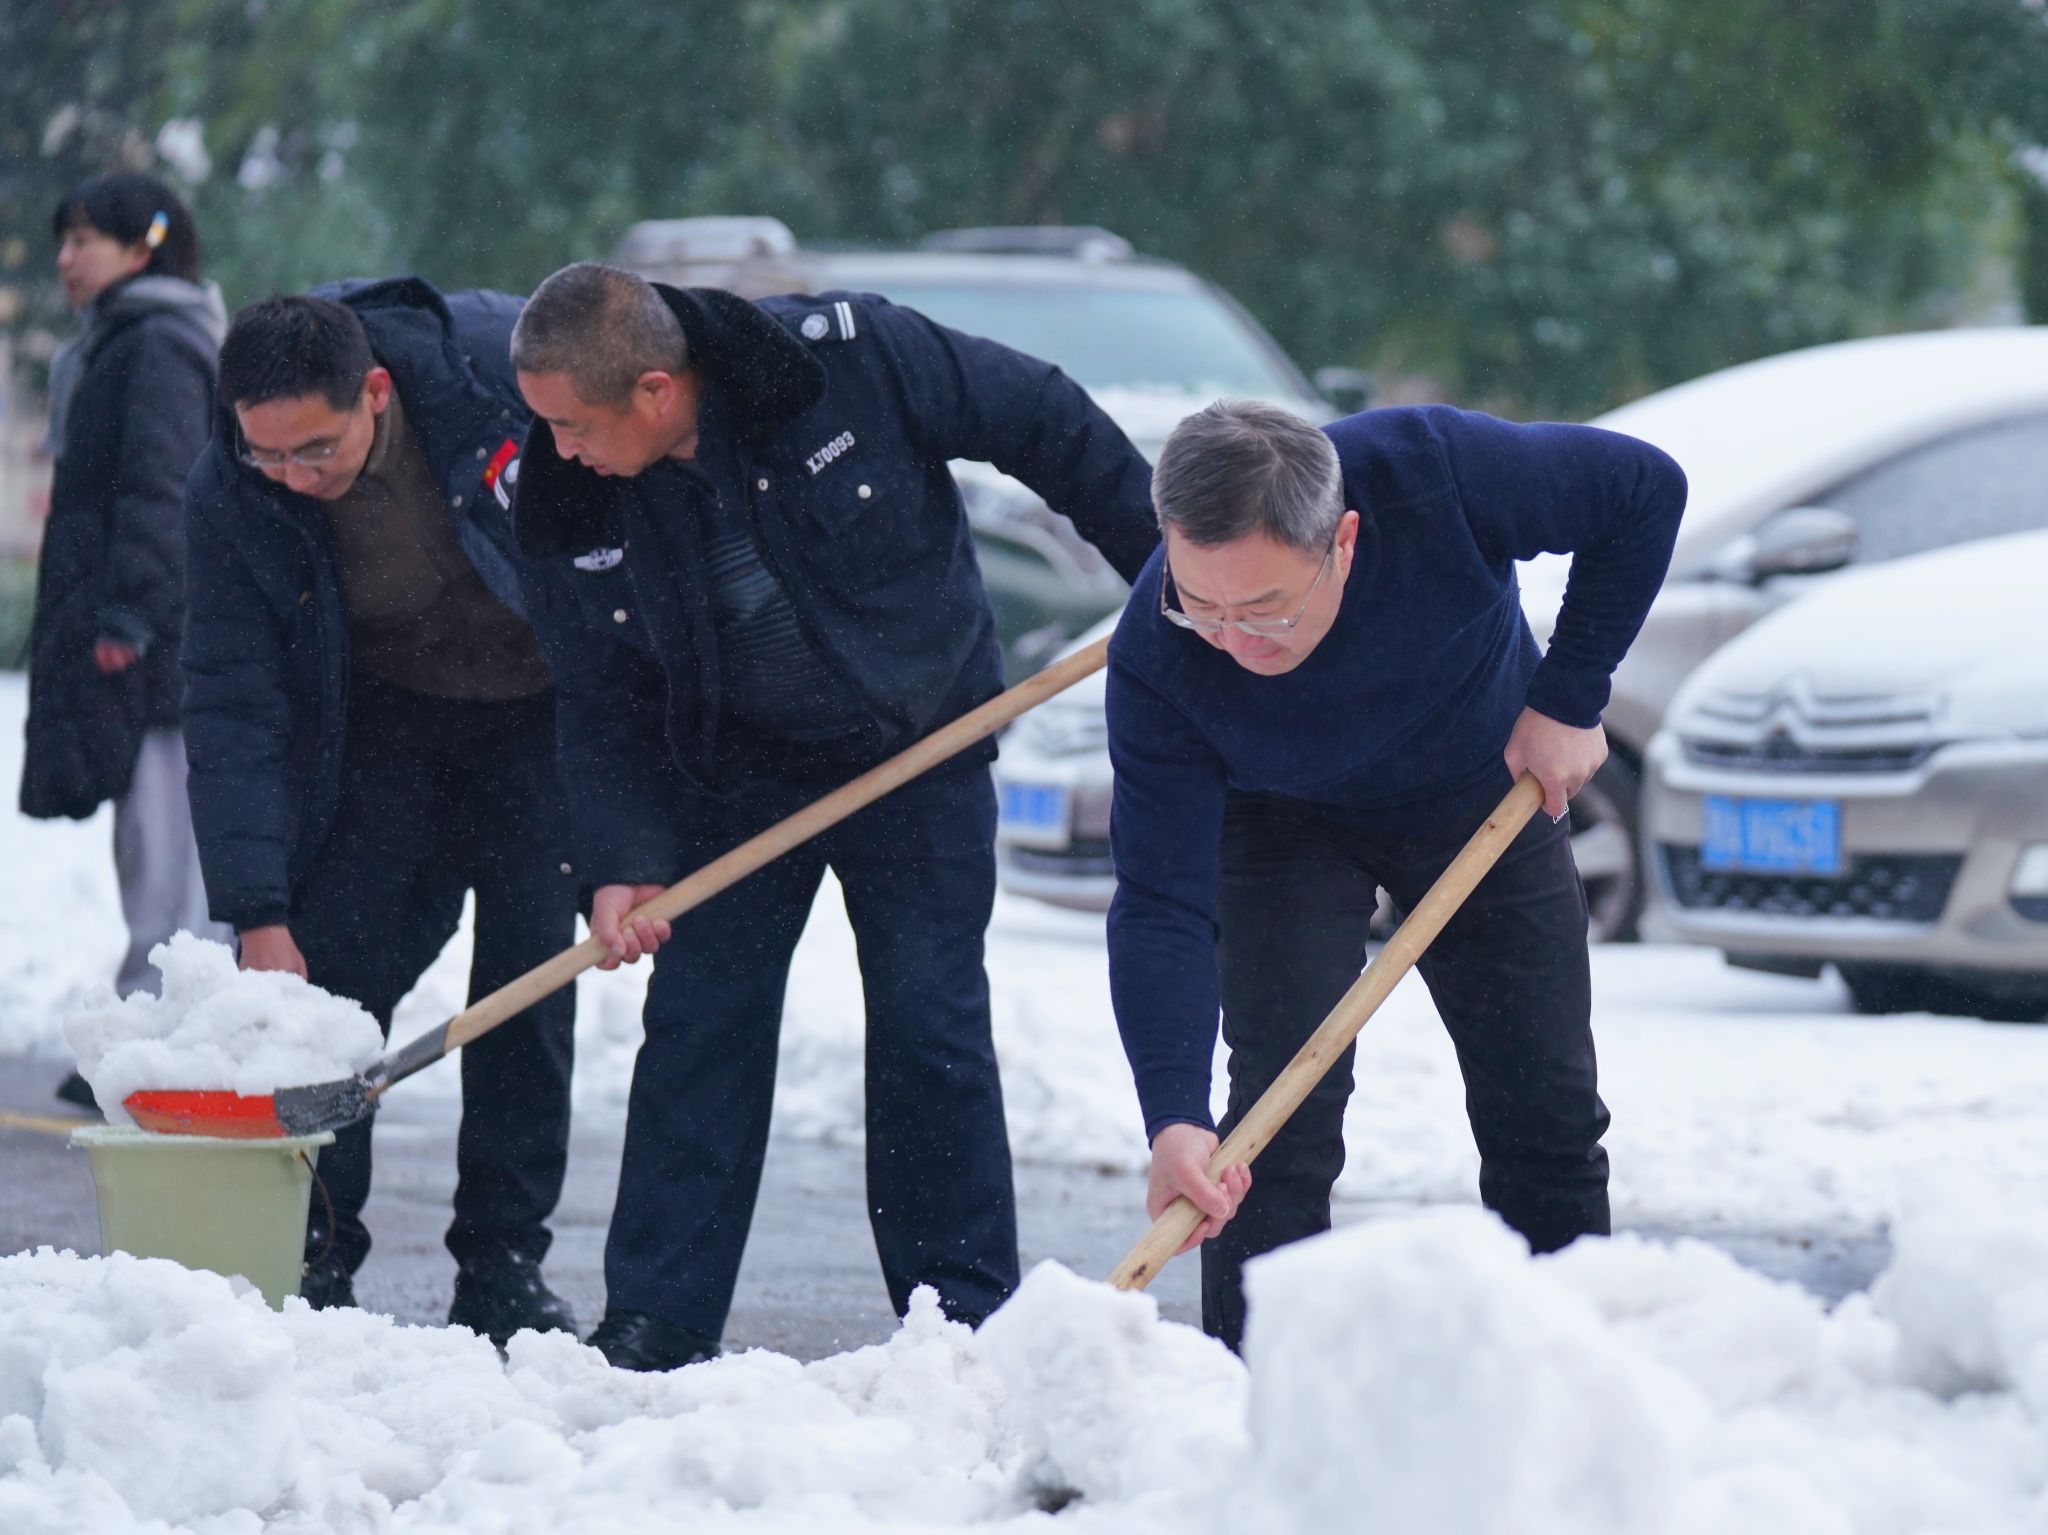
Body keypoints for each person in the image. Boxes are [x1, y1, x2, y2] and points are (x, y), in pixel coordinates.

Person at [506, 261, 1157, 1370]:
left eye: (572, 421)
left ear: (656, 389)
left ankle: (954, 1309)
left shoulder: (847, 361)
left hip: (916, 749)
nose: (554, 445)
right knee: (699, 1025)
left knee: (928, 1023)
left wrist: (1170, 576)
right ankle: (657, 1318)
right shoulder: (565, 487)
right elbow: (597, 690)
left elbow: (1043, 418)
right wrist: (616, 859)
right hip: (730, 775)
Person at [1104, 399, 1686, 1351]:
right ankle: (1256, 1402)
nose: (1236, 642)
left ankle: (1565, 1378)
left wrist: (1570, 698)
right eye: (1201, 604)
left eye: (1266, 609)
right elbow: (1160, 901)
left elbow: (1643, 491)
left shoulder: (1436, 472)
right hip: (1282, 820)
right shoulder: (1158, 657)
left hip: (1479, 793)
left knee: (1543, 1110)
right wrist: (1172, 1116)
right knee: (1267, 1134)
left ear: (1343, 538)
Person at [182, 283, 578, 1345]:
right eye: (266, 455)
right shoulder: (235, 485)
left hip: (540, 716)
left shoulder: (503, 385)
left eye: (314, 450)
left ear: (374, 391)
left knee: (527, 984)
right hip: (390, 722)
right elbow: (230, 699)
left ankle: (501, 1263)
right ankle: (316, 1248)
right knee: (334, 974)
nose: (292, 479)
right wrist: (257, 907)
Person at [22, 172, 233, 1110]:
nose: (67, 259)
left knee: (166, 841)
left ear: (145, 245)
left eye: (84, 239)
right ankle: (156, 1022)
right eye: (63, 240)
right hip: (141, 639)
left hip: (159, 647)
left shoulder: (155, 345)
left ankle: (171, 1028)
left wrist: (131, 615)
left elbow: (163, 487)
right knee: (144, 836)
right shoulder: (120, 342)